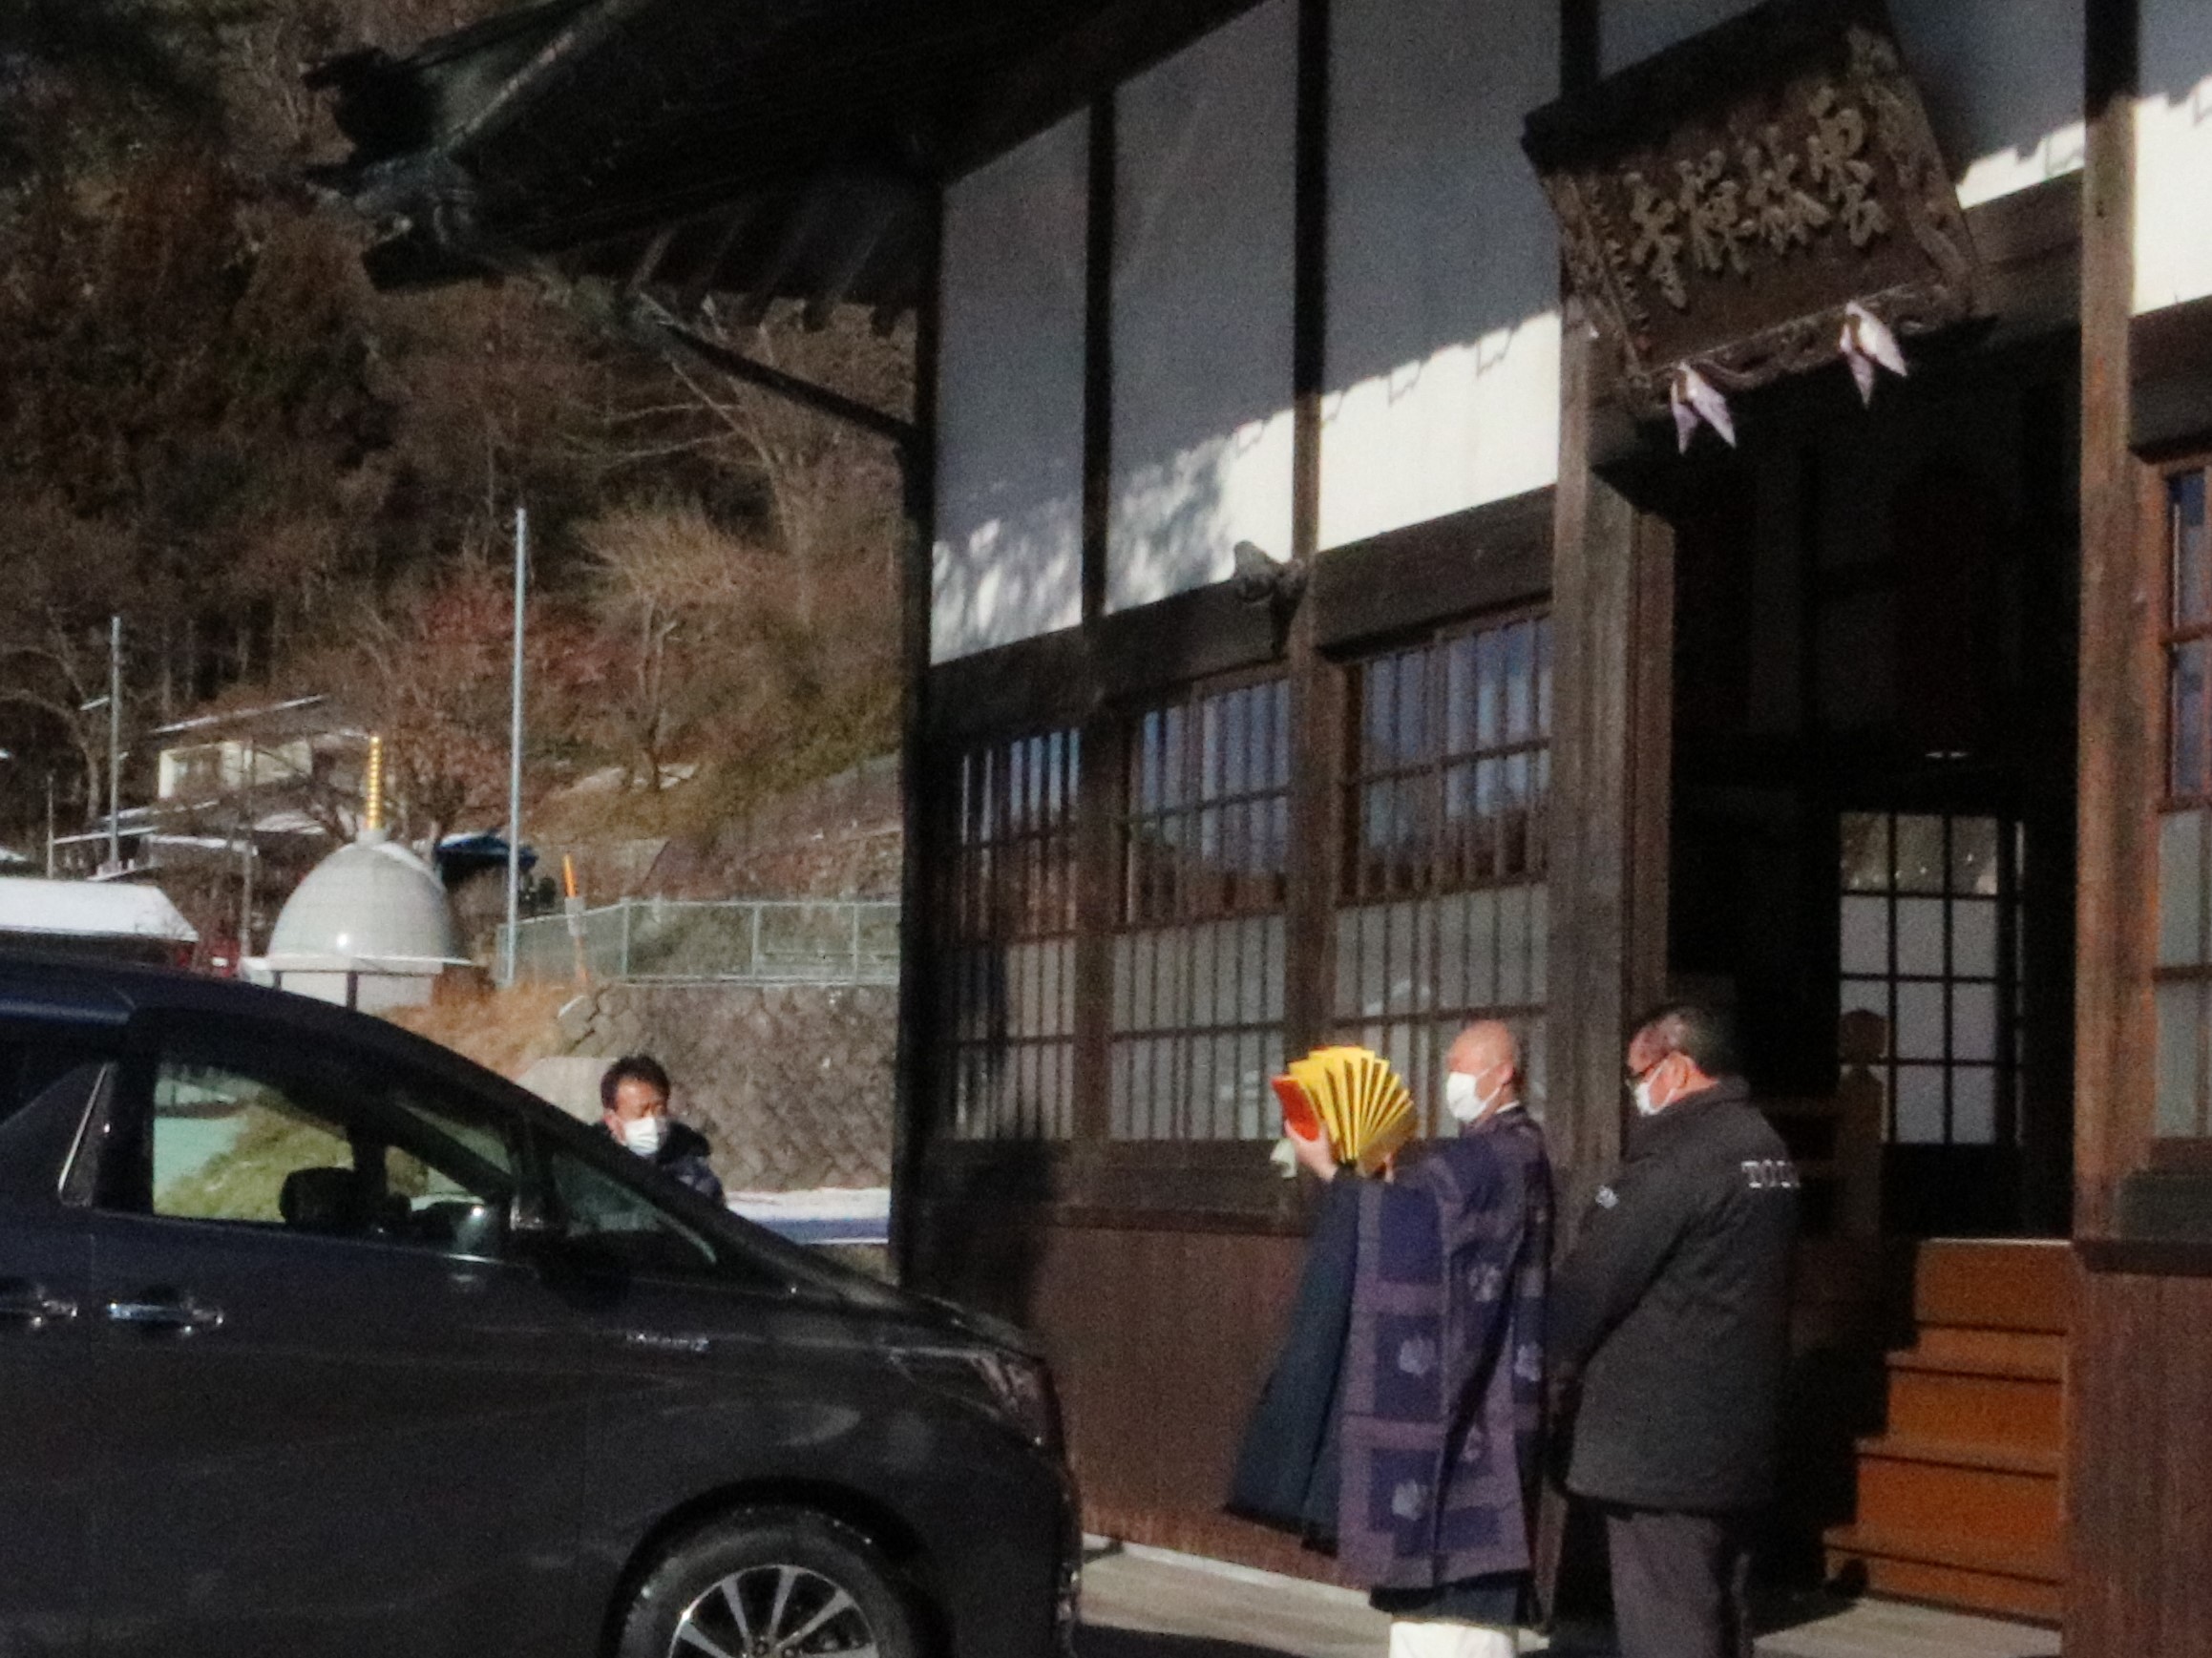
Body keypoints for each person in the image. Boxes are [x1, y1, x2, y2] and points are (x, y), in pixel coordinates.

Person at [1230, 1022, 1554, 1658]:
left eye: (1463, 1067)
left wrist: (1331, 1169)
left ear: (1502, 1073)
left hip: (1472, 1423)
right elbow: (1417, 1212)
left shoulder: (1498, 1155)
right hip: (1480, 1398)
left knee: (1451, 1617)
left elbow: (1410, 1220)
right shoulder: (1500, 1153)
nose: (1452, 1081)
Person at [1547, 1004, 1800, 1658]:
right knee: (1721, 1613)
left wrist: (1549, 1368)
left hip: (1660, 1440)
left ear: (1677, 1067)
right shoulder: (1764, 1148)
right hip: (1738, 1430)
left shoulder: (1678, 1158)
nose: (1633, 1091)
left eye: (1638, 1072)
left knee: (1667, 1620)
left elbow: (1594, 1278)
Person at [599, 1054, 725, 1203]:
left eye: (659, 1110)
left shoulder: (696, 1178)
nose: (652, 1121)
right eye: (640, 1113)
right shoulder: (589, 1165)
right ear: (612, 1121)